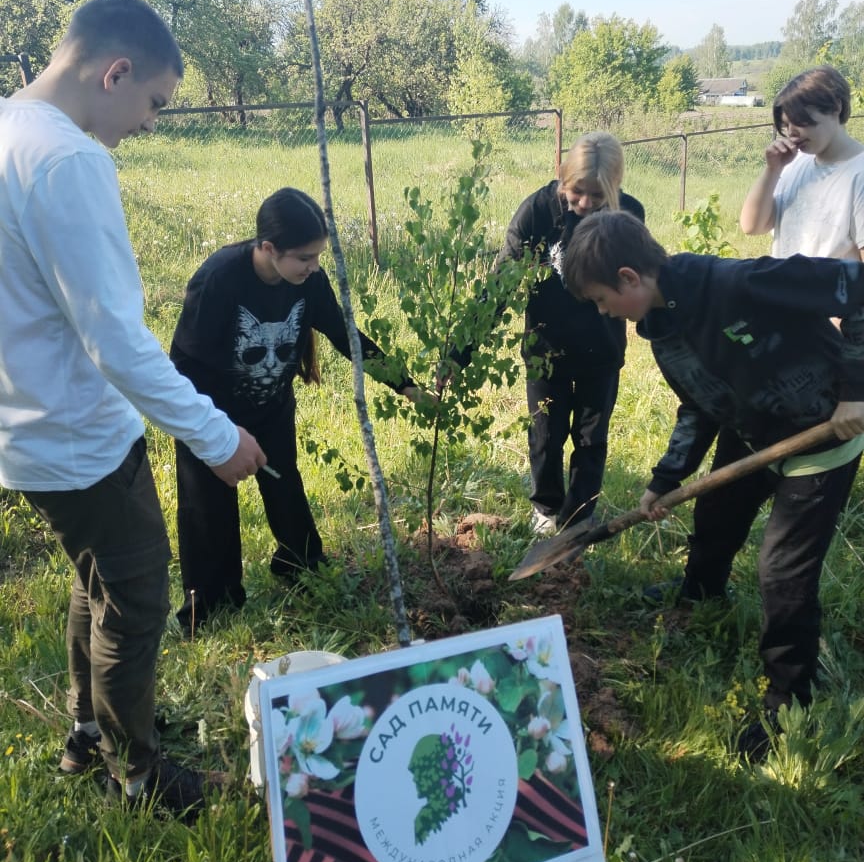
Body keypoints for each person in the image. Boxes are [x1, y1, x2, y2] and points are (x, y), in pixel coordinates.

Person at [0, 0, 266, 817]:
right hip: (81, 437)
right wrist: (217, 438)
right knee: (139, 601)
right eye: (153, 101)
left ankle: (87, 732)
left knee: (94, 585)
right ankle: (143, 774)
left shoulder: (8, 128)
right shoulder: (68, 159)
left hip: (24, 429)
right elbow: (115, 342)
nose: (150, 122)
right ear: (113, 72)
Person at [562, 211, 864, 759]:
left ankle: (788, 700)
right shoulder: (663, 328)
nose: (605, 313)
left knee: (782, 572)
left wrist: (856, 390)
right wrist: (665, 479)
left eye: (603, 300)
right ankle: (700, 595)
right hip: (751, 430)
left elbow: (859, 289)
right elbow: (699, 403)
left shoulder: (739, 283)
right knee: (717, 518)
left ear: (630, 278)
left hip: (819, 439)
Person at [170, 186, 420, 635]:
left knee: (285, 487)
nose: (314, 267)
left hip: (270, 408)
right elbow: (184, 362)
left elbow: (347, 336)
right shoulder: (220, 280)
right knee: (207, 508)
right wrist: (216, 433)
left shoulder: (309, 283)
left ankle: (299, 564)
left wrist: (404, 384)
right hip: (209, 415)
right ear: (268, 248)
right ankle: (210, 604)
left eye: (318, 257)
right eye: (305, 258)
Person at [456, 132, 643, 536]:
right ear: (563, 177)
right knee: (546, 435)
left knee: (591, 439)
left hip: (602, 350)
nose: (586, 204)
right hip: (546, 350)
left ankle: (579, 518)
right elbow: (500, 286)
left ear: (615, 187)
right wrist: (458, 353)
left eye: (598, 195)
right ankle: (546, 507)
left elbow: (642, 282)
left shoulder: (628, 215)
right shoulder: (538, 213)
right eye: (578, 192)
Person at [740, 65, 864, 259]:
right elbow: (752, 226)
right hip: (782, 288)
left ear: (835, 107)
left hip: (833, 290)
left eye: (799, 121)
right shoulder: (795, 164)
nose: (791, 132)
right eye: (786, 125)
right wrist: (772, 170)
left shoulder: (859, 173)